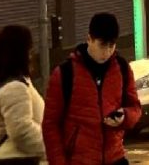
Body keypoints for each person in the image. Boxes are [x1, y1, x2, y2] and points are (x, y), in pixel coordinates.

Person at [42, 13, 141, 165]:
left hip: (115, 157)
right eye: (102, 45)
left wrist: (124, 117)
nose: (107, 52)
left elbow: (135, 107)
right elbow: (50, 124)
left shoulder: (122, 68)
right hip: (79, 160)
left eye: (111, 45)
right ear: (89, 39)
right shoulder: (65, 73)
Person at [0, 25, 45, 163]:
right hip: (16, 159)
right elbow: (22, 132)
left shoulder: (3, 82)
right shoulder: (14, 88)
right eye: (29, 48)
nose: (31, 54)